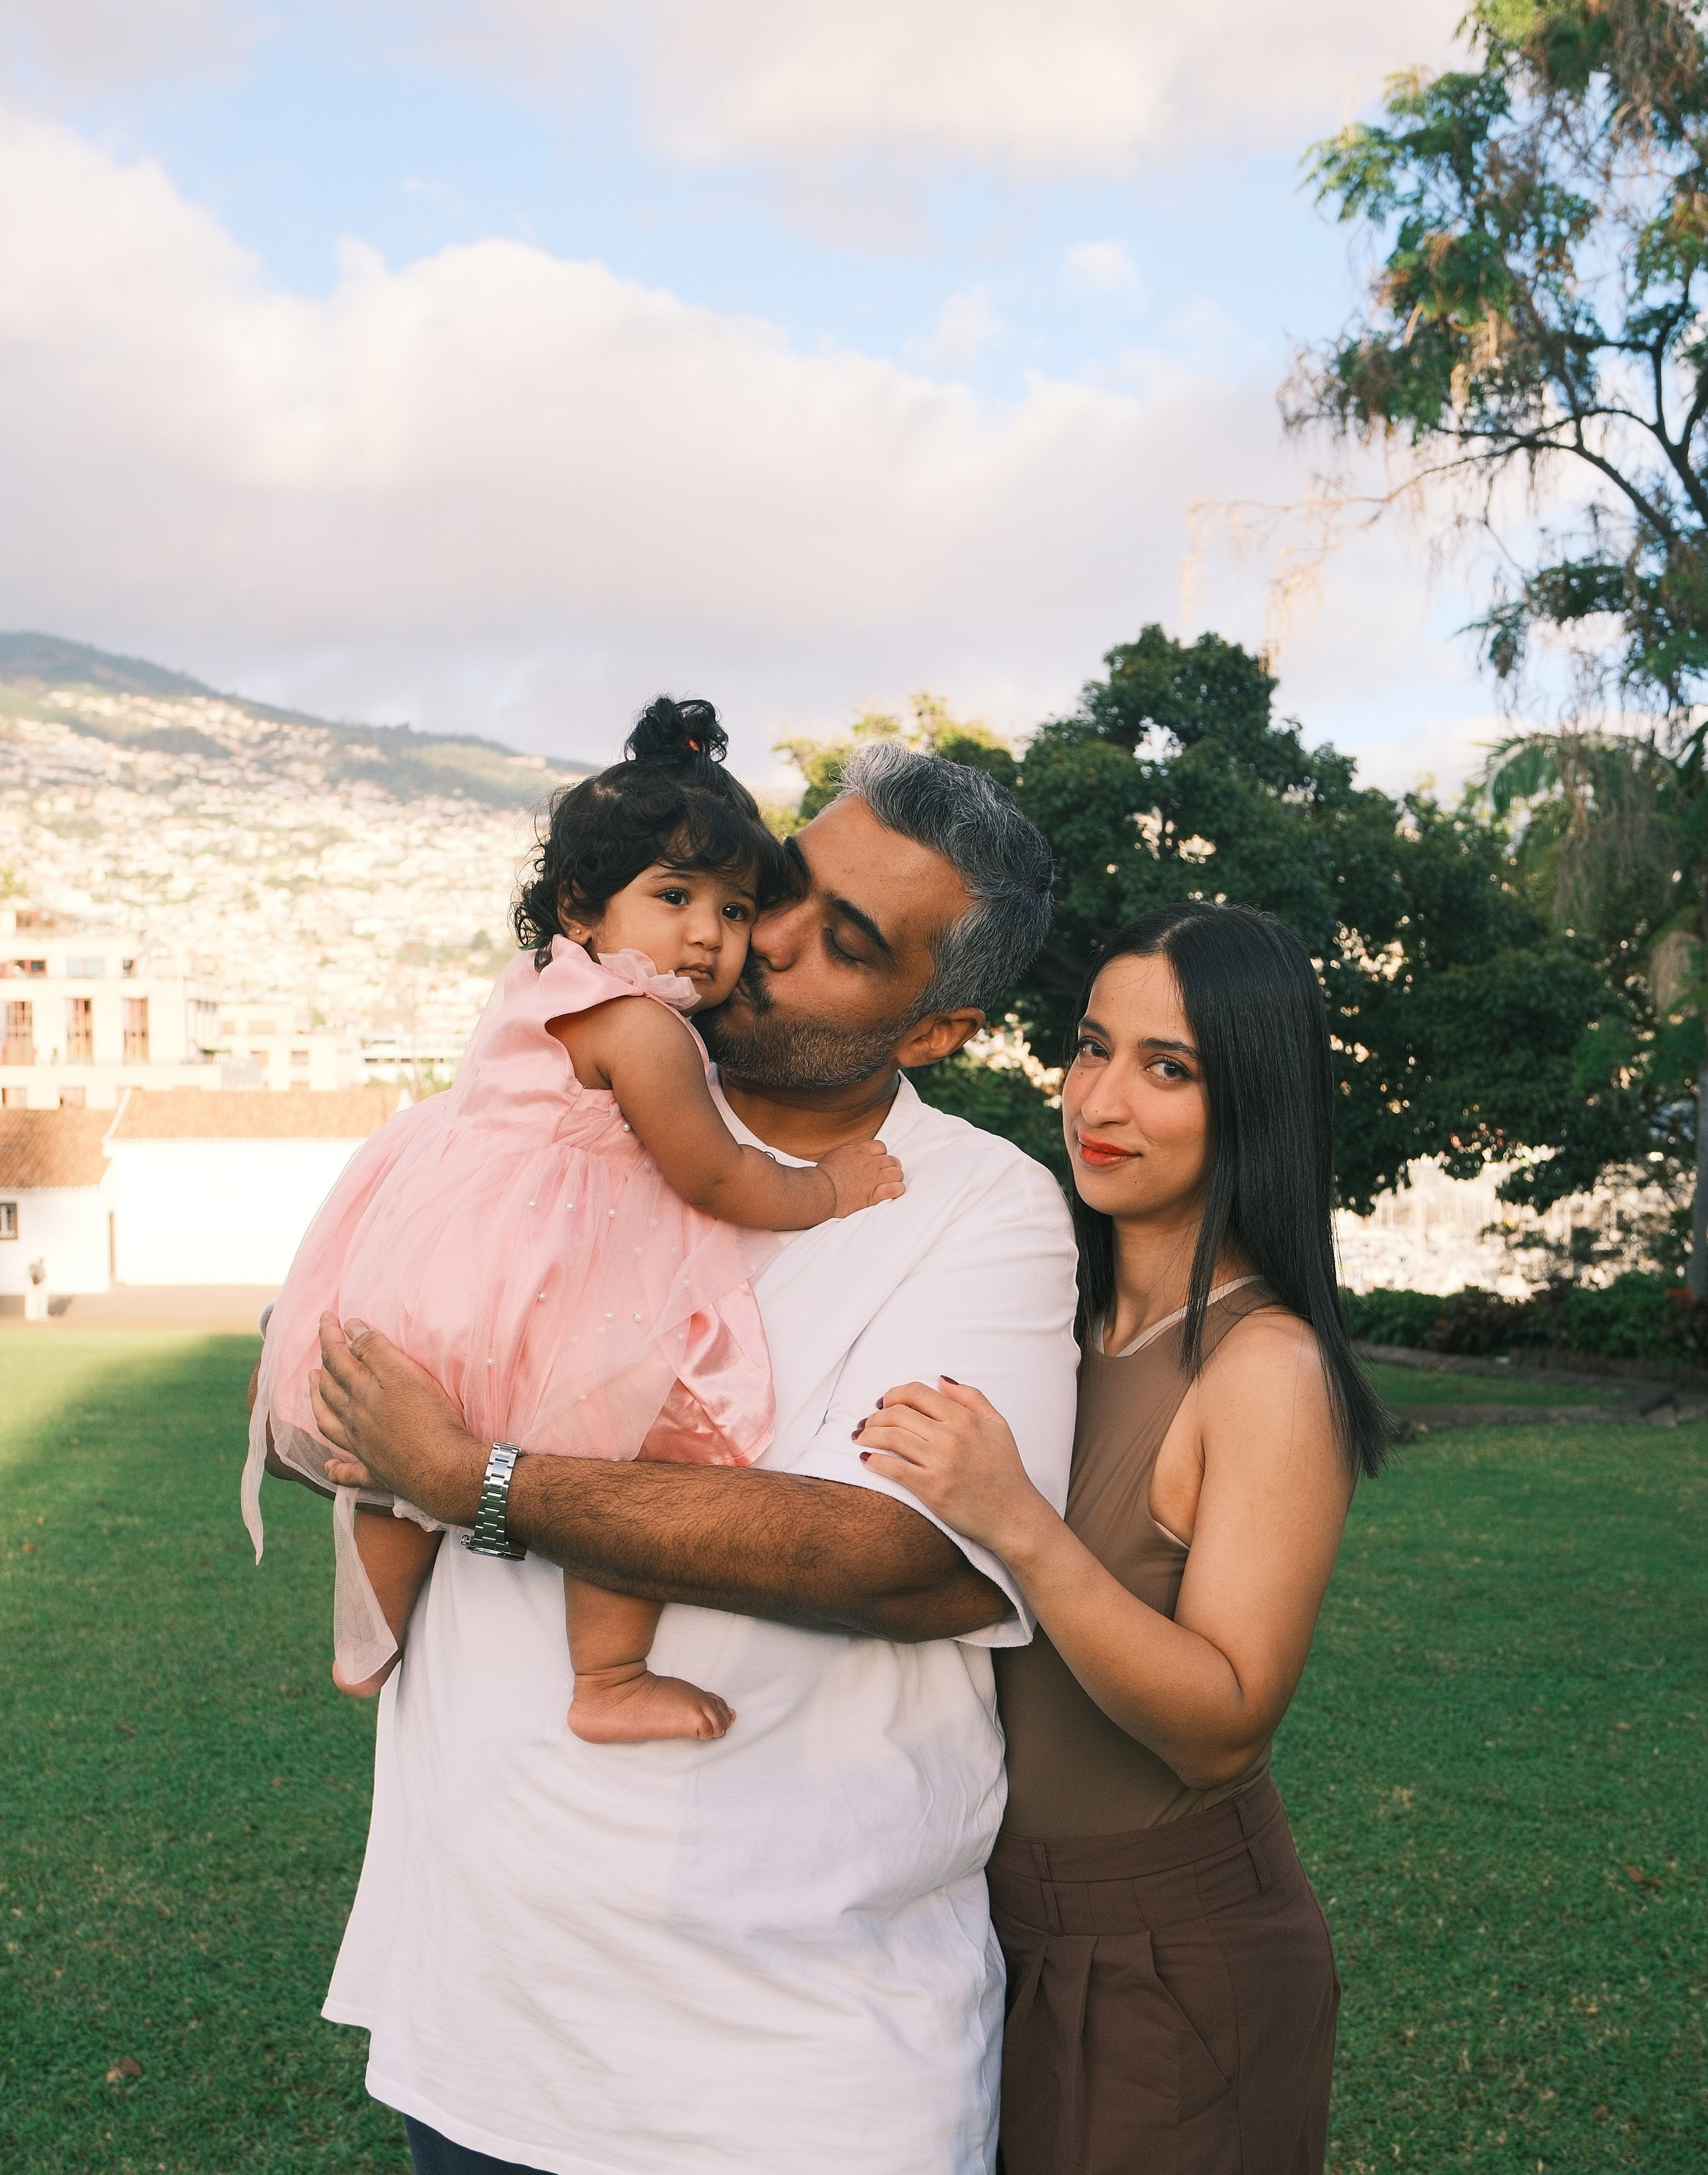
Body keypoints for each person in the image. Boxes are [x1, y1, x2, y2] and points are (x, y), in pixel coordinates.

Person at [294, 741, 1080, 2175]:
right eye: (777, 889)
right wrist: (377, 1429)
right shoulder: (533, 1118)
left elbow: (904, 1557)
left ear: (934, 1030)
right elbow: (327, 1402)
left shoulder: (978, 1207)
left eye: (844, 942)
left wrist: (474, 1478)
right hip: (479, 2021)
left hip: (779, 2071)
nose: (760, 939)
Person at [245, 699, 903, 1743]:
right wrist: (827, 1188)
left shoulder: (539, 985)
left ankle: (366, 1642)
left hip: (439, 1269)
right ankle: (609, 1675)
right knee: (636, 1454)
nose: (708, 934)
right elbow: (714, 1175)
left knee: (395, 1469)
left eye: (736, 911)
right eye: (674, 896)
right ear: (581, 910)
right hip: (544, 1281)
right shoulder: (642, 1026)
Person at [855, 902, 1392, 2175]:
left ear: (1251, 1099)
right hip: (984, 1925)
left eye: (1169, 1068)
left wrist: (1021, 1525)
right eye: (1093, 1047)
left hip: (1172, 1958)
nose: (1100, 1100)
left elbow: (1227, 1724)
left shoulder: (1265, 1367)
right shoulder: (1050, 1318)